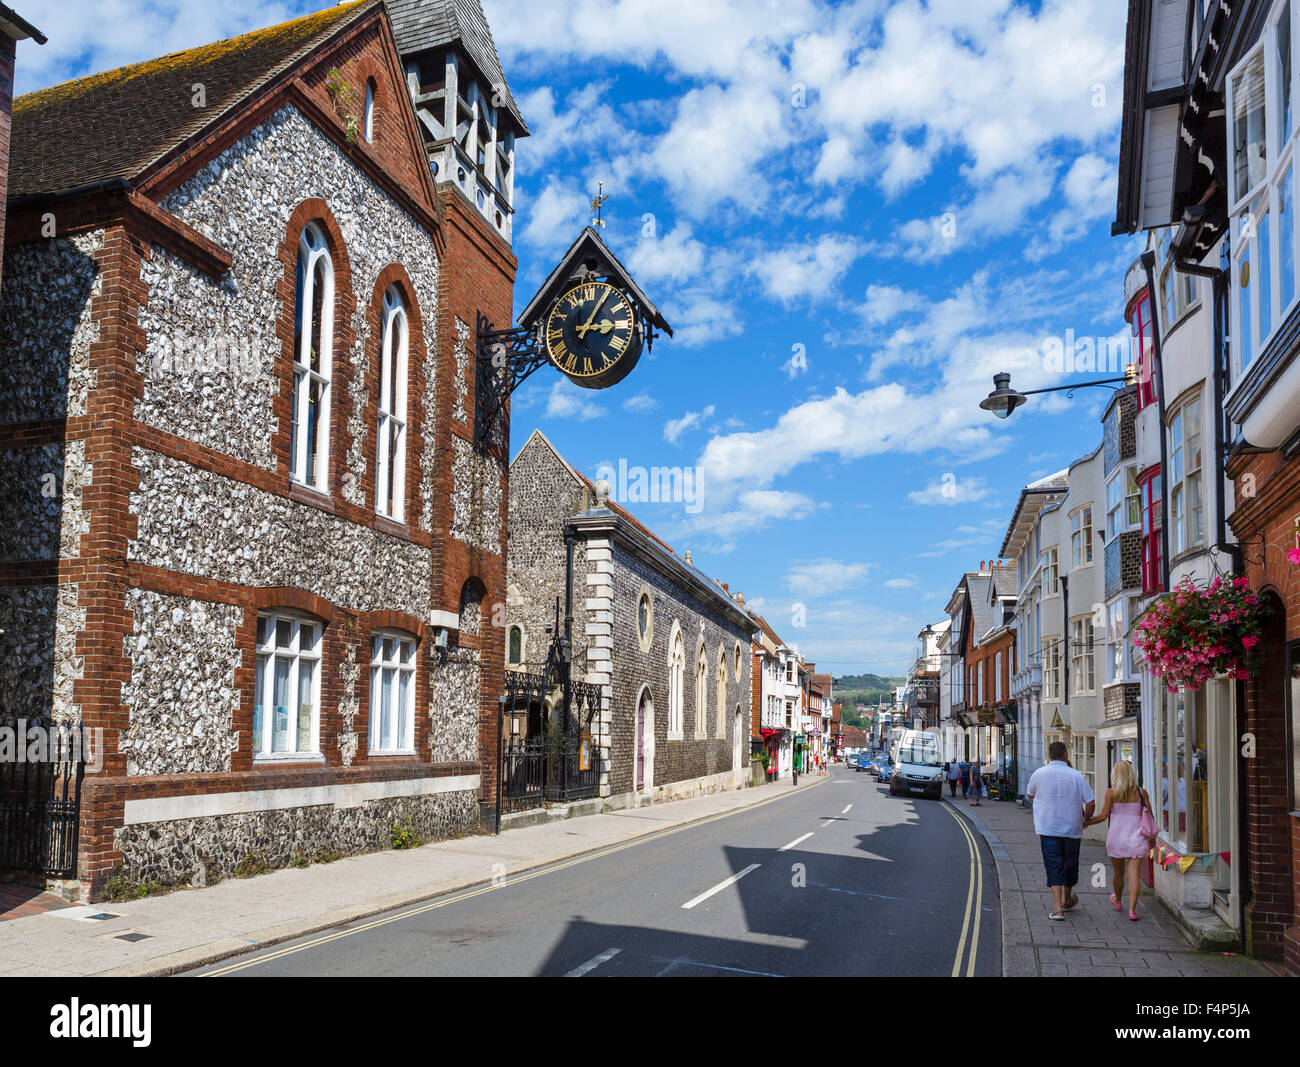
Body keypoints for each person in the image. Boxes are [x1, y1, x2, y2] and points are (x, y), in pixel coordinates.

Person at [1025, 740, 1096, 920]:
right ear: (1065, 755)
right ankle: (1066, 899)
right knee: (1070, 865)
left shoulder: (1039, 774)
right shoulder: (1077, 776)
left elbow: (1030, 794)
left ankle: (1057, 909)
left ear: (1050, 756)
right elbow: (1091, 802)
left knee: (1053, 865)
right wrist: (1086, 819)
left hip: (1048, 827)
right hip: (1072, 828)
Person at [1084, 760, 1154, 921]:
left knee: (1118, 872)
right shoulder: (1141, 793)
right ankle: (1132, 910)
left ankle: (1118, 899)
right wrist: (1152, 837)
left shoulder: (1111, 793)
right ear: (1131, 774)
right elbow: (1149, 815)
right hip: (1138, 837)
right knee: (1134, 873)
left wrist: (1087, 822)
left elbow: (1103, 816)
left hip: (1116, 837)